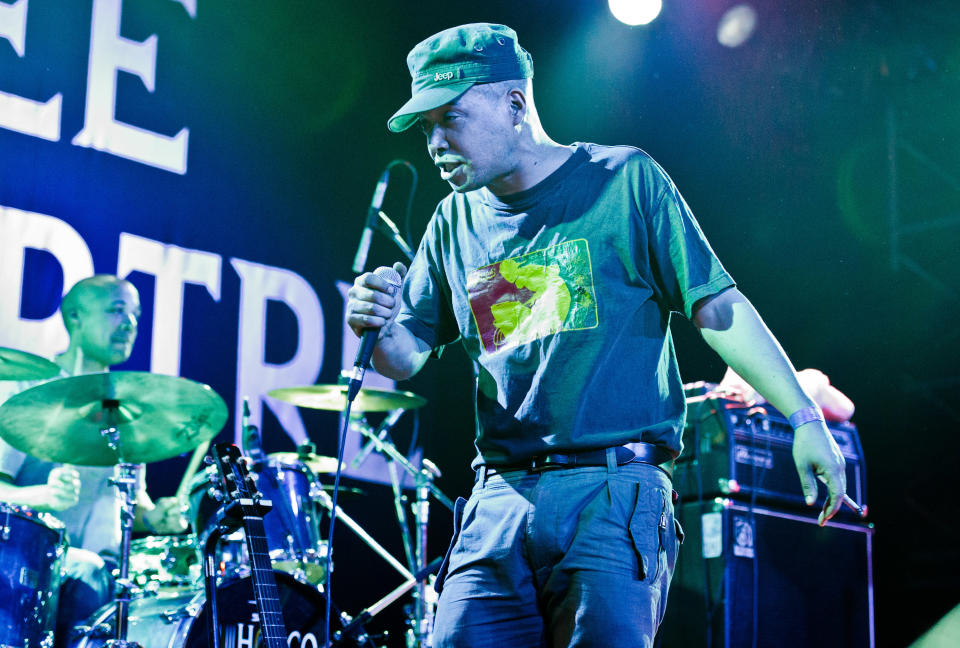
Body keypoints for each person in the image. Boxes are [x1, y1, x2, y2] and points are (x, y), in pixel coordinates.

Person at [346, 23, 847, 647]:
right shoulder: (453, 218)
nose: (437, 143)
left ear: (515, 103)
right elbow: (406, 355)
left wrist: (803, 419)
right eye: (426, 128)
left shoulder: (625, 180)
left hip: (612, 491)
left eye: (451, 117)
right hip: (498, 498)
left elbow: (717, 308)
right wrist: (379, 324)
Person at [0, 275, 186, 646]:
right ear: (74, 316)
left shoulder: (127, 412)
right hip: (25, 569)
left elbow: (134, 502)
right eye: (117, 310)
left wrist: (156, 517)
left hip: (102, 576)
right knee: (88, 570)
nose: (130, 324)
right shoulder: (28, 392)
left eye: (136, 314)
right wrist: (43, 497)